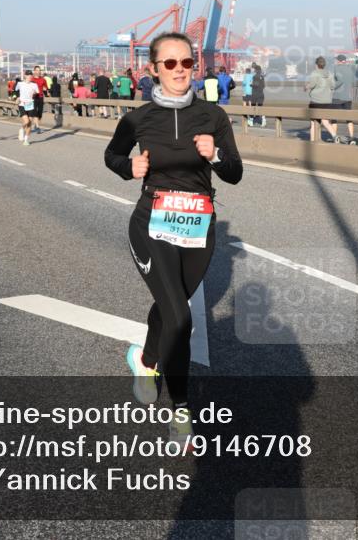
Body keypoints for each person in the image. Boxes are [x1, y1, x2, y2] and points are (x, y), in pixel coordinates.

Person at [105, 32, 242, 450]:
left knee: (171, 306)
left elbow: (235, 172)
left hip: (198, 226)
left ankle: (145, 359)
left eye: (187, 62)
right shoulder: (139, 119)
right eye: (170, 63)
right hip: (151, 221)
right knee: (180, 317)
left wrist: (215, 154)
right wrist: (130, 167)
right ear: (153, 69)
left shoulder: (213, 116)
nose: (180, 70)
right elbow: (112, 155)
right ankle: (181, 414)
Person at [305, 56, 344, 143]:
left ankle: (312, 141)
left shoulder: (315, 73)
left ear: (316, 64)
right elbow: (333, 86)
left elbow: (312, 85)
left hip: (315, 101)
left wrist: (306, 86)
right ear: (324, 65)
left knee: (313, 123)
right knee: (325, 120)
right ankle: (335, 136)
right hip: (327, 101)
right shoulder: (329, 74)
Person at [332, 54, 358, 144]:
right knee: (349, 118)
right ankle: (352, 138)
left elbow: (335, 82)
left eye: (336, 60)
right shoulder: (350, 69)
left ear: (338, 61)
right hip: (348, 97)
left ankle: (335, 137)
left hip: (336, 97)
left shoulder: (335, 68)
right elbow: (354, 83)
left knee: (334, 118)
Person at [15, 73, 39, 145]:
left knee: (29, 123)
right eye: (28, 75)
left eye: (30, 76)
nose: (29, 77)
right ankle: (22, 129)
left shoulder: (34, 85)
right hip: (22, 104)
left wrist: (34, 93)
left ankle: (26, 140)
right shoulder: (20, 84)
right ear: (25, 76)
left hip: (30, 104)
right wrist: (17, 98)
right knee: (26, 121)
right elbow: (15, 91)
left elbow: (37, 93)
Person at [29, 66, 47, 133]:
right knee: (35, 112)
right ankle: (37, 126)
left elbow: (45, 88)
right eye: (37, 70)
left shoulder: (43, 79)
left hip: (40, 97)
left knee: (40, 113)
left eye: (39, 70)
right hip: (33, 98)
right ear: (34, 71)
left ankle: (36, 125)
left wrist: (46, 90)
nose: (38, 72)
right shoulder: (31, 79)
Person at [250, 63, 266, 127]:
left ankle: (251, 121)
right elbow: (264, 86)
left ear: (256, 70)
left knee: (253, 107)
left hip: (255, 94)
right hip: (261, 94)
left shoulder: (255, 76)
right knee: (260, 107)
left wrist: (251, 85)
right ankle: (263, 120)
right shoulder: (262, 77)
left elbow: (256, 85)